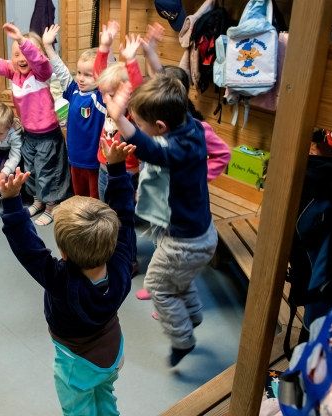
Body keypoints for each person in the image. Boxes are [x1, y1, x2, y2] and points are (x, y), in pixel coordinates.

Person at [0, 140, 137, 415]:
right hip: (112, 352)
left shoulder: (62, 282)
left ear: (63, 251)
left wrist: (13, 203)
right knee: (105, 396)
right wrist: (118, 169)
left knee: (78, 409)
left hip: (76, 364)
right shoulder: (122, 265)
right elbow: (125, 216)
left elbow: (29, 251)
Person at [103, 75, 217, 367]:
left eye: (140, 123)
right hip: (199, 234)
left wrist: (118, 118)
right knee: (177, 277)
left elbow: (150, 149)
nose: (138, 127)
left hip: (185, 242)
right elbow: (172, 91)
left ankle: (183, 339)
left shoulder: (177, 150)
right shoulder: (190, 125)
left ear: (161, 127)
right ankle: (193, 314)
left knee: (157, 285)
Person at [133, 64, 231, 302]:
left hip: (184, 215)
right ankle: (161, 282)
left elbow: (223, 154)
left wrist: (199, 175)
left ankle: (166, 295)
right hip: (165, 204)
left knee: (176, 258)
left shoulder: (195, 129)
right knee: (163, 246)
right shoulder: (169, 126)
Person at [0, 23, 71, 226]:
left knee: (48, 171)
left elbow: (38, 61)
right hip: (29, 134)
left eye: (26, 54)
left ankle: (51, 205)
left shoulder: (42, 73)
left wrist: (22, 41)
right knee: (31, 170)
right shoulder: (15, 73)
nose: (22, 58)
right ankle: (39, 200)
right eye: (16, 55)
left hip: (48, 135)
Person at [42, 25, 112, 199]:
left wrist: (105, 49)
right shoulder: (73, 90)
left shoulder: (101, 98)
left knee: (95, 202)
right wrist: (48, 47)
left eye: (88, 75)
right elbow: (61, 70)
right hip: (74, 158)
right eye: (79, 72)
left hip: (95, 162)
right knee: (79, 198)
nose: (80, 78)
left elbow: (107, 79)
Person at [93, 21, 152, 201]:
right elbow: (99, 74)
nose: (105, 99)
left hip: (127, 171)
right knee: (106, 205)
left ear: (126, 94)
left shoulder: (132, 113)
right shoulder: (108, 99)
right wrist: (104, 46)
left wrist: (131, 60)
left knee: (123, 210)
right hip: (104, 165)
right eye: (104, 94)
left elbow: (136, 87)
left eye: (110, 95)